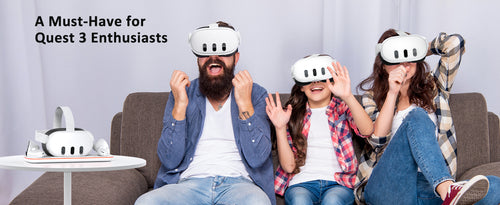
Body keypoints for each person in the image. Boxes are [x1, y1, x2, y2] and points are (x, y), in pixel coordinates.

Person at [135, 21, 275, 205]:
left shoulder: (255, 94)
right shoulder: (183, 93)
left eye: (223, 50)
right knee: (146, 203)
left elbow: (258, 159)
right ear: (198, 59)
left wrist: (244, 105)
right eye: (206, 50)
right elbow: (169, 160)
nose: (214, 57)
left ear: (236, 57)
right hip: (189, 184)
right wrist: (180, 106)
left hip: (240, 186)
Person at [355, 29, 500, 205]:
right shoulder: (370, 97)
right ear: (383, 64)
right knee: (416, 116)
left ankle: (447, 193)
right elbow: (377, 141)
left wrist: (423, 48)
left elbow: (455, 44)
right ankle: (448, 190)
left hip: (427, 186)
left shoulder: (434, 89)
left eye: (409, 55)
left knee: (494, 185)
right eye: (395, 56)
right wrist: (392, 92)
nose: (404, 64)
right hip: (387, 187)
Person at [267, 54, 374, 205]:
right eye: (308, 78)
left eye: (322, 77)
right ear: (301, 86)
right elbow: (289, 166)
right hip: (301, 183)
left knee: (333, 201)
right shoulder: (293, 115)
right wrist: (280, 128)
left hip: (338, 184)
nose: (316, 82)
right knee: (299, 201)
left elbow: (367, 130)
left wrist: (348, 96)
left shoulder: (342, 108)